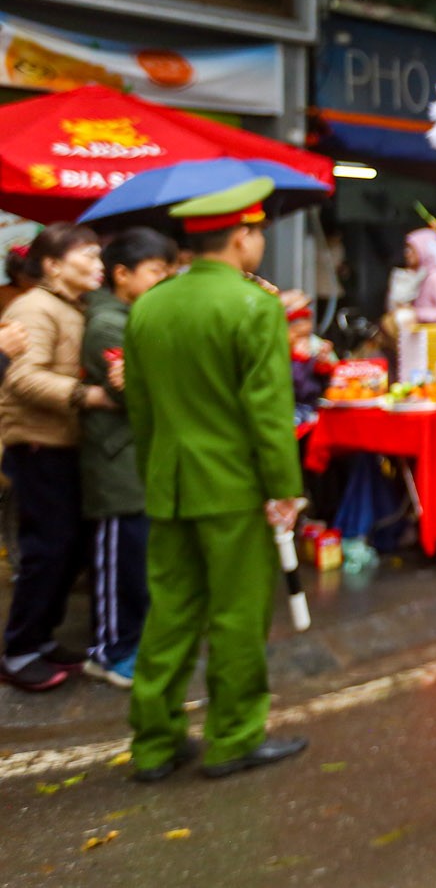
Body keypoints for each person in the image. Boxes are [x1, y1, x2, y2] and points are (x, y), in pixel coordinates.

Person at [123, 179, 308, 781]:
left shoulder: (148, 305)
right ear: (241, 237)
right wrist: (284, 489)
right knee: (236, 615)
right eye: (257, 234)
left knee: (170, 612)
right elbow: (268, 414)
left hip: (168, 483)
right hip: (233, 489)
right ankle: (231, 737)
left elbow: (142, 410)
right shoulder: (254, 306)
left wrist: (156, 474)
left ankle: (154, 742)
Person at [0, 224, 118, 693]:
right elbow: (22, 378)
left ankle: (41, 638)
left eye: (99, 258)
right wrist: (89, 396)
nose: (98, 267)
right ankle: (19, 650)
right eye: (87, 257)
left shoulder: (72, 306)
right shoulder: (34, 307)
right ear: (52, 266)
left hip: (63, 443)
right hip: (38, 443)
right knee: (48, 550)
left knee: (66, 549)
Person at [78, 227, 179, 689]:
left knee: (137, 560)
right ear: (122, 274)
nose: (165, 279)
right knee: (119, 561)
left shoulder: (130, 316)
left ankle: (130, 645)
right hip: (116, 460)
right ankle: (109, 652)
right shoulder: (107, 324)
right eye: (157, 270)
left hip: (135, 457)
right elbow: (141, 389)